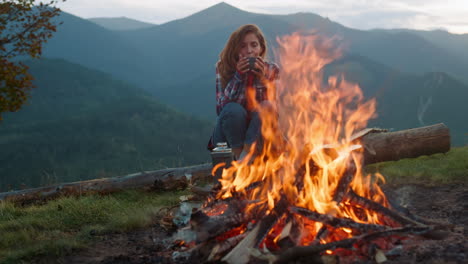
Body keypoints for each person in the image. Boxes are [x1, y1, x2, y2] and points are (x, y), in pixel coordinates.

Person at [208, 24, 280, 160]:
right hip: (228, 137)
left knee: (267, 106)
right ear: (235, 49)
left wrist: (262, 79)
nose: (249, 50)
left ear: (261, 48)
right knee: (233, 109)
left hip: (257, 136)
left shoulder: (272, 69)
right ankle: (239, 156)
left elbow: (273, 111)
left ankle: (243, 159)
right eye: (243, 46)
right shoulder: (223, 67)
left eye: (254, 45)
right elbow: (221, 108)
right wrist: (238, 76)